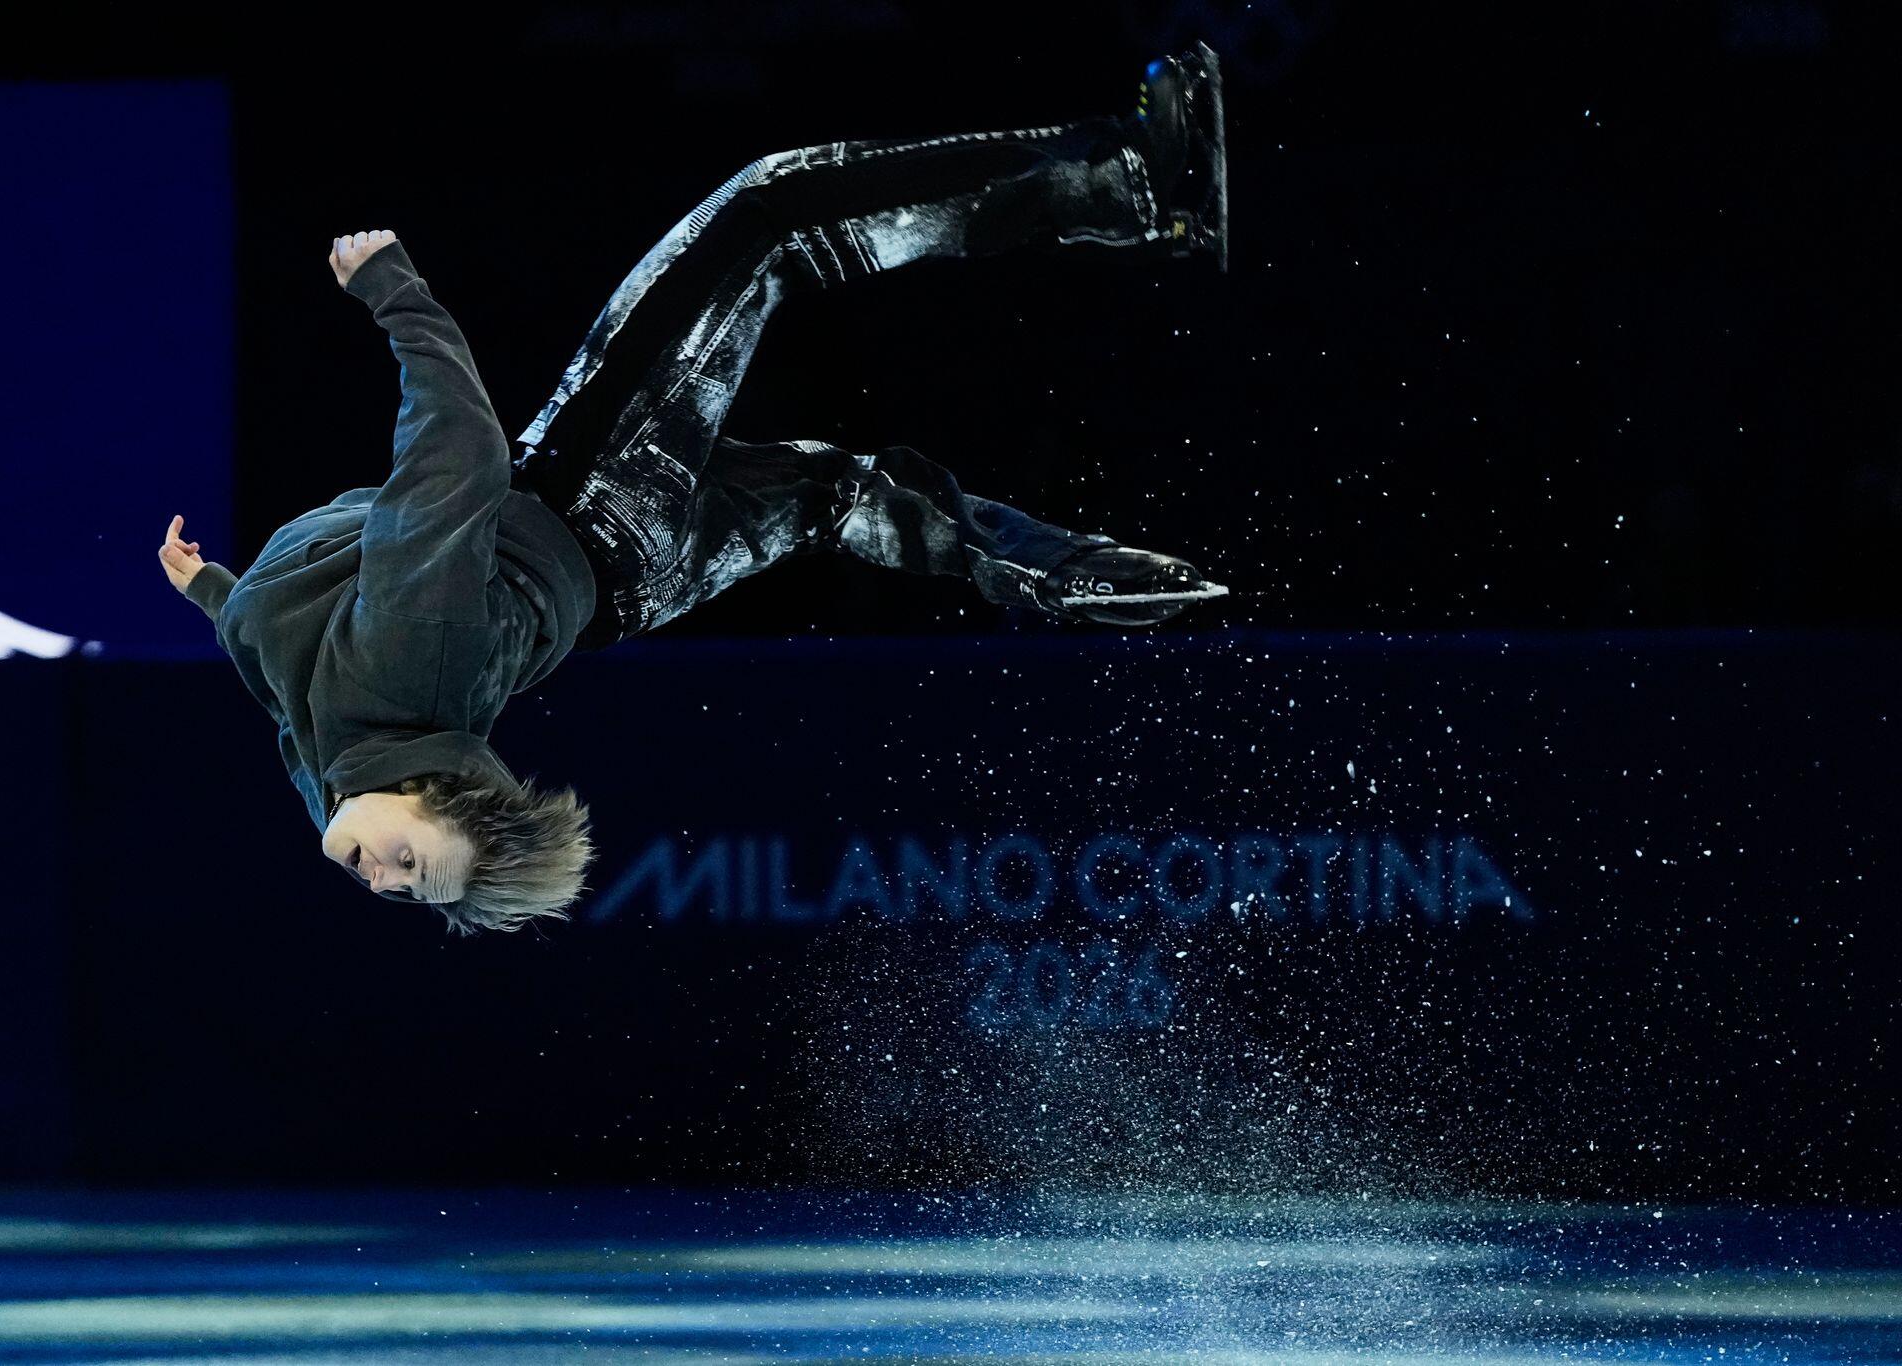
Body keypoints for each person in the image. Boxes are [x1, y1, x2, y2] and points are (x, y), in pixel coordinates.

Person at [156, 43, 1230, 935]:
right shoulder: (405, 658)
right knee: (768, 216)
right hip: (593, 500)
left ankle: (1066, 573)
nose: (380, 879)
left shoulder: (344, 765)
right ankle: (1125, 182)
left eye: (399, 888)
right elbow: (459, 454)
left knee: (835, 496)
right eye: (412, 866)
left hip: (626, 594)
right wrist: (396, 294)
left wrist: (215, 591)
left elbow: (281, 686)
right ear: (435, 791)